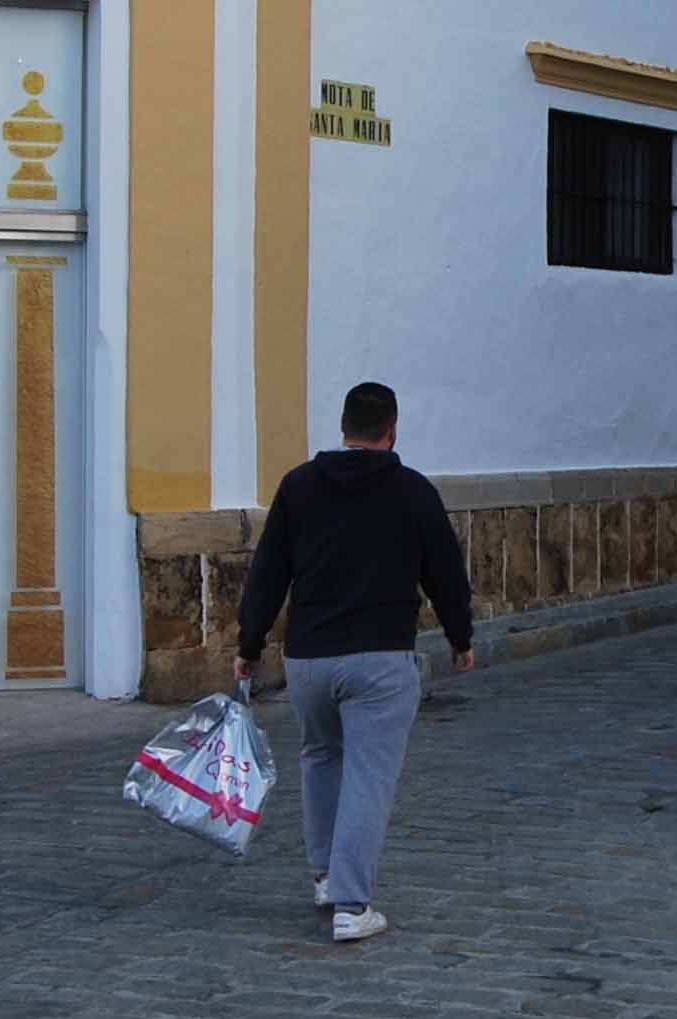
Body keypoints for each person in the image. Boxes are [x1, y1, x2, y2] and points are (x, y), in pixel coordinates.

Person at [235, 381, 477, 944]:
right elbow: (444, 574)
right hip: (380, 660)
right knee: (369, 774)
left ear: (343, 428)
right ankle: (352, 904)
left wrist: (249, 647)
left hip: (310, 661)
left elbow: (268, 575)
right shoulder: (414, 493)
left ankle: (324, 876)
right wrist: (460, 638)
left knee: (320, 758)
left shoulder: (298, 488)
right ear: (392, 431)